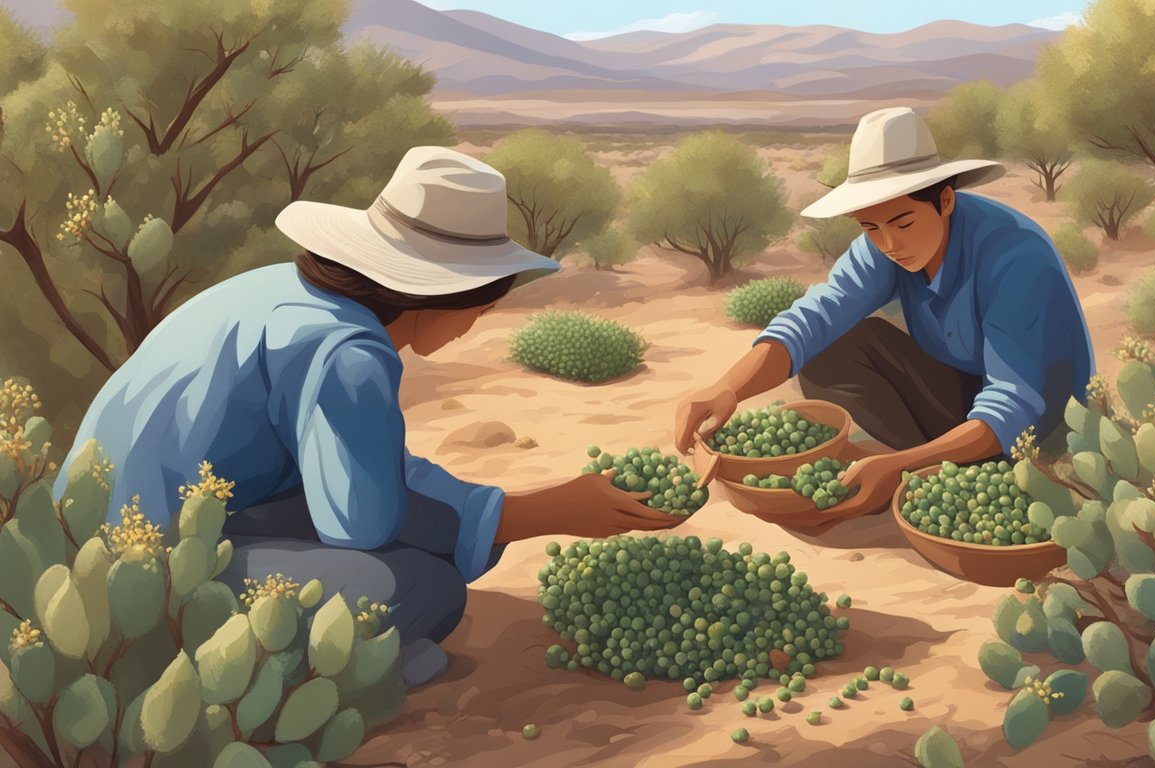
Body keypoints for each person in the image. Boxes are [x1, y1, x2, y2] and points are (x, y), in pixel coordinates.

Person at [55, 147, 678, 687]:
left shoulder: (285, 291)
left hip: (96, 539)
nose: (475, 325)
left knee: (416, 551)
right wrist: (540, 513)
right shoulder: (347, 354)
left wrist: (497, 513)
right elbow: (362, 519)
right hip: (143, 576)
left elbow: (360, 465)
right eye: (479, 310)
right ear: (438, 295)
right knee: (425, 587)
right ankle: (339, 674)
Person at [674, 107, 1095, 535]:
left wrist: (900, 467)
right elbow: (816, 317)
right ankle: (925, 466)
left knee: (987, 447)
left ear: (945, 201)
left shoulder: (1014, 257)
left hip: (1043, 428)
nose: (889, 243)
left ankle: (932, 473)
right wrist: (728, 387)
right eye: (870, 227)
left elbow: (1013, 401)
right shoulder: (885, 243)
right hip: (969, 396)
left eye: (903, 222)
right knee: (834, 347)